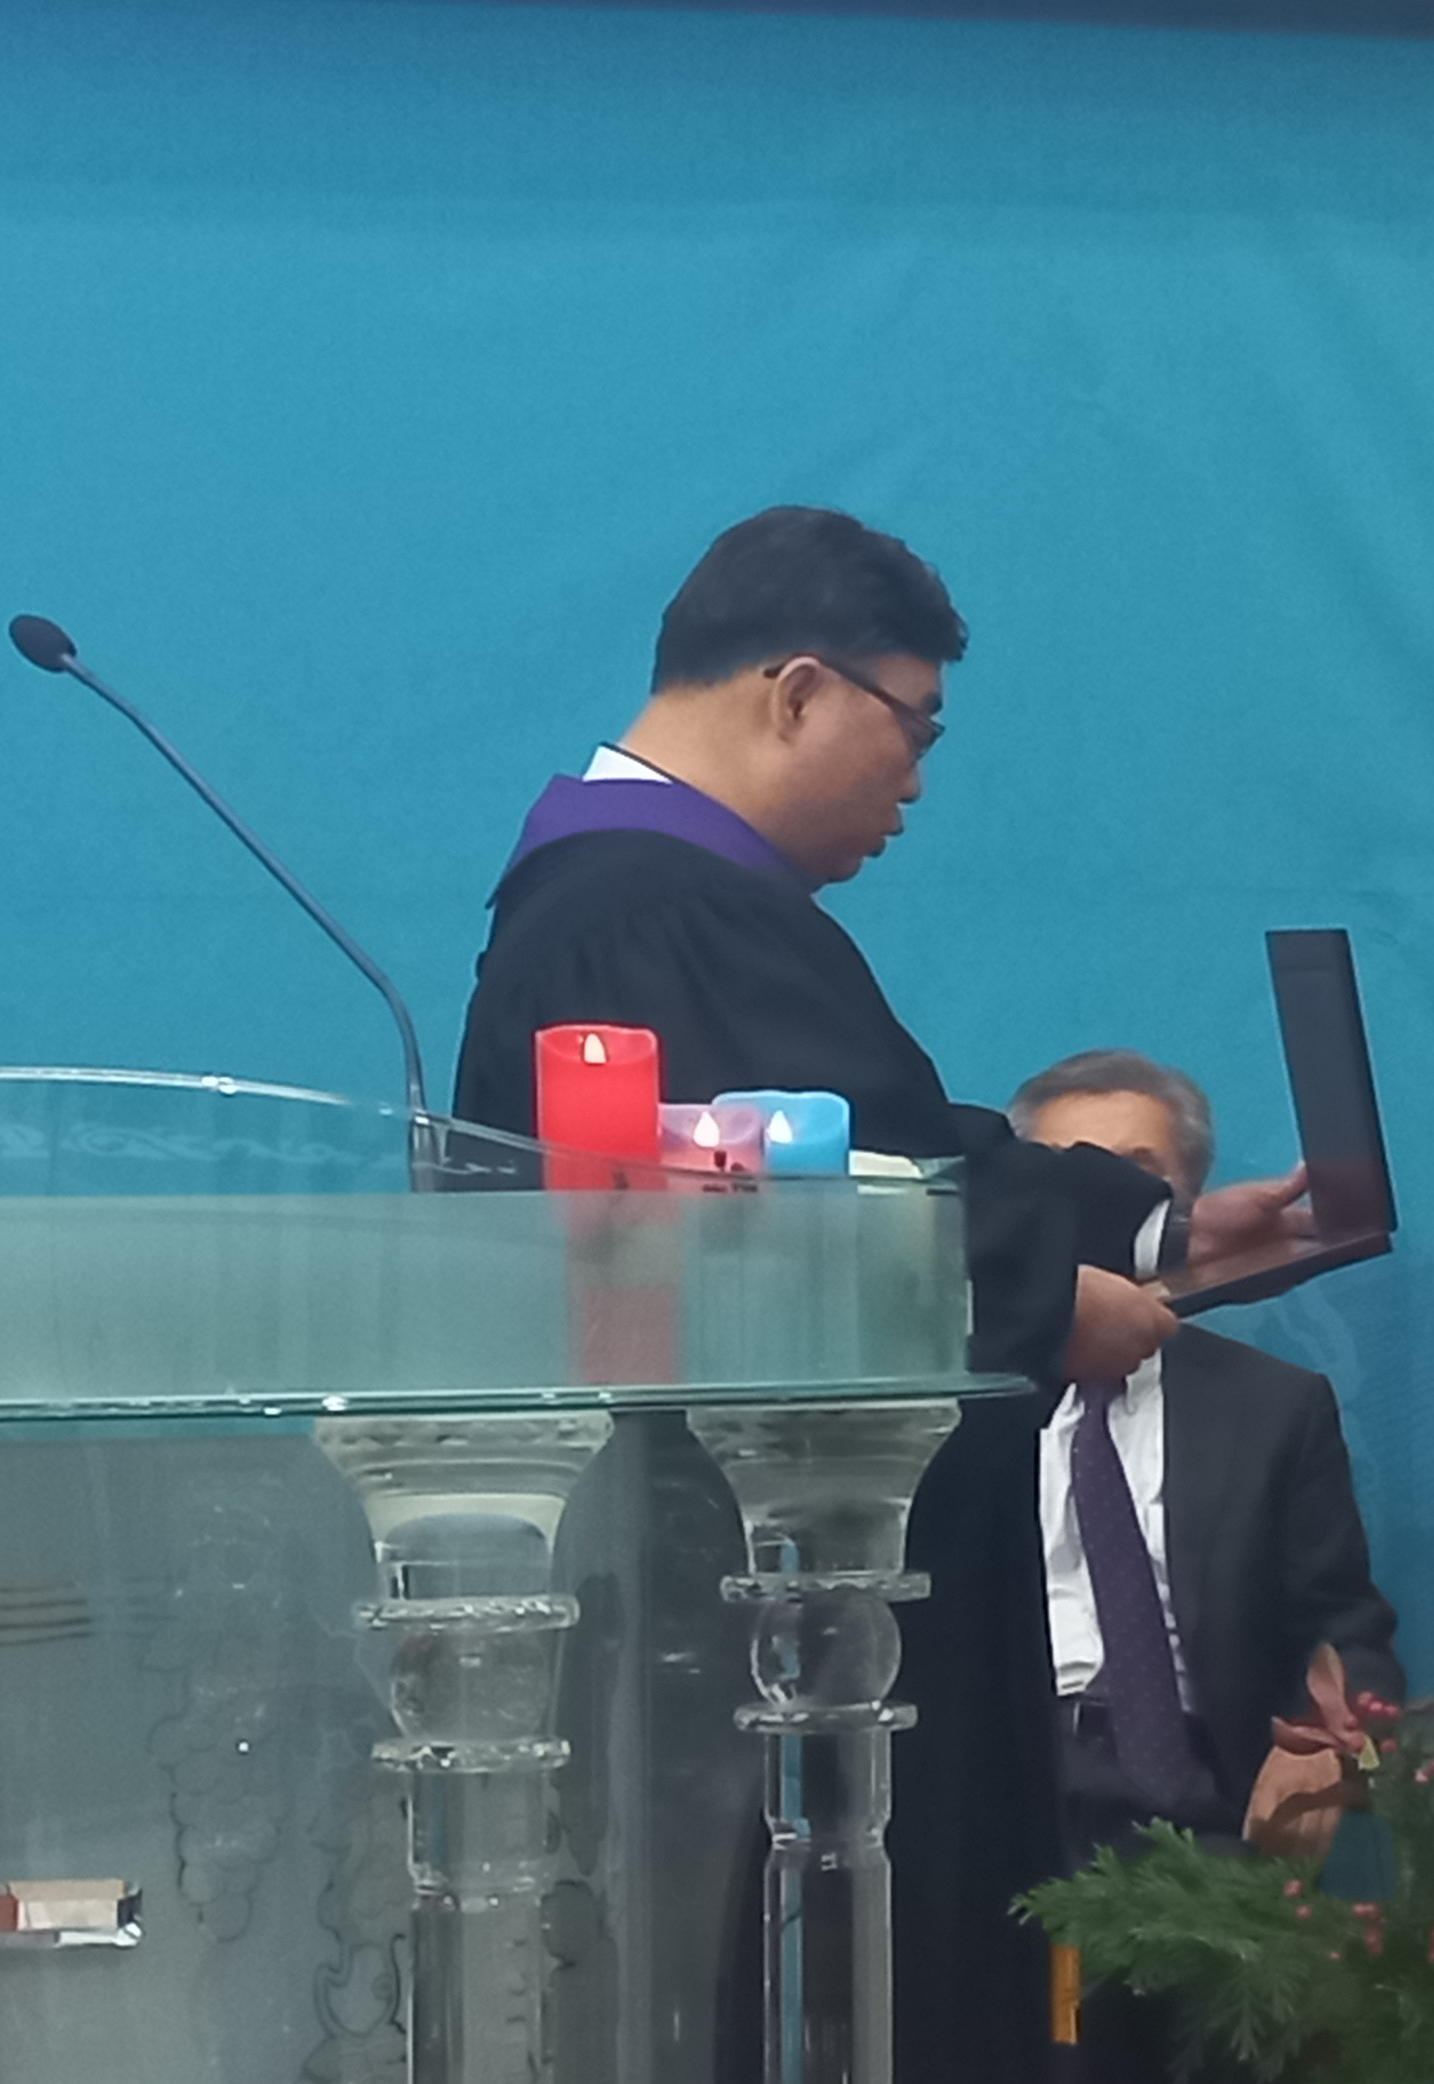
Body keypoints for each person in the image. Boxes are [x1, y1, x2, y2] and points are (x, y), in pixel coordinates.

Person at [450, 507, 1295, 2084]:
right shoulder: (650, 911)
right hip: (762, 1619)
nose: (917, 780)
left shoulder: (632, 905)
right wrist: (1058, 1303)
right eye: (915, 727)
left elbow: (872, 1150)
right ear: (797, 690)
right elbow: (793, 1231)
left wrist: (1151, 1228)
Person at [1008, 1049, 1401, 2084]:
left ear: (1188, 1207)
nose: (1102, 1207)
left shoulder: (1275, 1406)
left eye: (1136, 1178)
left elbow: (1346, 1626)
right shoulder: (955, 1398)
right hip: (1002, 1786)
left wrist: (1328, 1736)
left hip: (1200, 1805)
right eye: (1071, 1176)